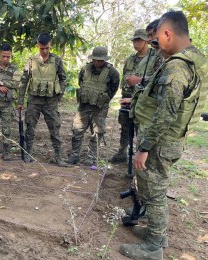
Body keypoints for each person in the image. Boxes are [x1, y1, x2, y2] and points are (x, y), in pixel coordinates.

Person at [120, 11, 208, 259]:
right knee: (155, 189)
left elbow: (166, 112)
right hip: (171, 138)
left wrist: (144, 147)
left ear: (168, 33)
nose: (155, 44)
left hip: (160, 140)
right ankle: (156, 234)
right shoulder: (196, 58)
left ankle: (153, 246)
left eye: (157, 37)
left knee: (154, 192)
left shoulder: (178, 66)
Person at [17, 32, 67, 166]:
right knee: (30, 128)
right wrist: (20, 101)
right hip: (34, 100)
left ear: (50, 46)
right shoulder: (31, 61)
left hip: (50, 101)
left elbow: (63, 79)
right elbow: (24, 81)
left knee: (55, 128)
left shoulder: (56, 60)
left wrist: (59, 96)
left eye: (47, 48)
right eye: (42, 48)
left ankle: (58, 157)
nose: (44, 51)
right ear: (37, 46)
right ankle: (28, 154)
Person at [66, 46, 120, 166]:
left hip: (100, 107)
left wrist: (102, 99)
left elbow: (113, 89)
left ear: (105, 60)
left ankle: (91, 157)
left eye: (100, 60)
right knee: (77, 130)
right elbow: (81, 82)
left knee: (97, 132)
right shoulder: (85, 69)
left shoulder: (112, 72)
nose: (97, 62)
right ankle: (75, 155)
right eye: (95, 59)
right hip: (84, 105)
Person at [110, 29, 149, 163]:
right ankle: (122, 153)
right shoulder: (130, 59)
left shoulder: (153, 59)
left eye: (139, 40)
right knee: (125, 127)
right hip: (127, 97)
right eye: (134, 40)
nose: (135, 43)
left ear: (146, 41)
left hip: (142, 100)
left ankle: (140, 157)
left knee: (140, 129)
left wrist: (139, 80)